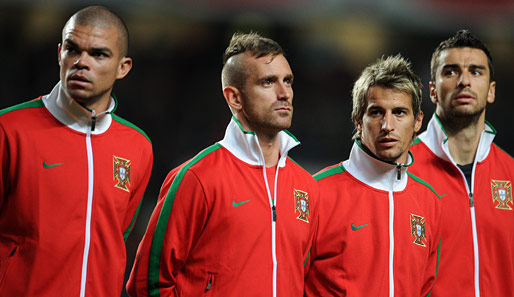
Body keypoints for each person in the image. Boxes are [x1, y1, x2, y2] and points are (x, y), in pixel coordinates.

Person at [126, 32, 319, 297]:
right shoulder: (197, 177)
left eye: (288, 81)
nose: (284, 93)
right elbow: (147, 283)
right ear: (234, 98)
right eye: (268, 82)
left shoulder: (306, 186)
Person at [0, 6, 153, 297]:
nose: (82, 62)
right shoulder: (8, 130)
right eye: (72, 49)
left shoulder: (138, 146)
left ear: (123, 67)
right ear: (60, 54)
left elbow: (115, 236)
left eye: (98, 54)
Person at [305, 55, 442, 296]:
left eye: (399, 113)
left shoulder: (429, 201)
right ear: (358, 120)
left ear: (418, 121)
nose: (388, 125)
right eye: (377, 112)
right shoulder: (316, 192)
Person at [409, 30, 514, 296]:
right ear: (432, 90)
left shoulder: (511, 173)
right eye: (451, 72)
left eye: (476, 72)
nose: (464, 81)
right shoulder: (401, 170)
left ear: (491, 91)